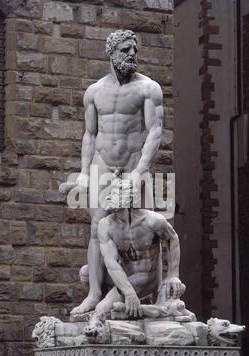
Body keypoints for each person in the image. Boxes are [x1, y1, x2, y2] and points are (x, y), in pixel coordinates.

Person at [60, 30, 164, 315]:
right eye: (125, 50)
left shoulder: (148, 88)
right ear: (111, 52)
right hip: (102, 167)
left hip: (133, 166)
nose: (132, 55)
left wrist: (140, 171)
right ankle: (95, 293)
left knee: (146, 228)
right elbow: (89, 135)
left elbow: (155, 131)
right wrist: (83, 172)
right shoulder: (94, 92)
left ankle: (151, 293)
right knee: (97, 228)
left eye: (134, 50)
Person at [95, 178, 186, 318]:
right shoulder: (105, 225)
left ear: (126, 198)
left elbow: (173, 239)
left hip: (145, 277)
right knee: (86, 273)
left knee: (102, 309)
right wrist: (129, 293)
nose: (108, 197)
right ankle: (128, 303)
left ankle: (122, 305)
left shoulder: (153, 221)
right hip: (123, 274)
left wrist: (173, 275)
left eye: (113, 194)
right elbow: (111, 263)